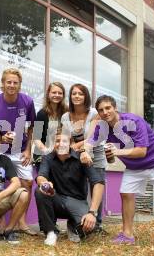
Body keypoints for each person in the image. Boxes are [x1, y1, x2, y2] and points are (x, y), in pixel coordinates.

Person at [90, 95, 154, 249]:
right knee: (126, 194)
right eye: (101, 110)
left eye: (108, 108)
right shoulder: (102, 127)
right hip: (134, 166)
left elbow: (141, 151)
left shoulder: (133, 121)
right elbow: (90, 142)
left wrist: (116, 152)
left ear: (115, 108)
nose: (105, 112)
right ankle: (127, 235)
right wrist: (81, 149)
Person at [0, 67, 37, 235]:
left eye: (15, 82)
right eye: (9, 82)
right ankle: (0, 220)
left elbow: (33, 127)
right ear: (3, 84)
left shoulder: (27, 101)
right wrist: (1, 139)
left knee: (27, 182)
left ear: (20, 85)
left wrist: (28, 150)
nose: (12, 85)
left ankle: (21, 221)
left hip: (20, 150)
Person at [35, 127, 105, 246]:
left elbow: (98, 183)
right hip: (56, 199)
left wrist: (92, 213)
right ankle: (51, 232)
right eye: (57, 141)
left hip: (77, 202)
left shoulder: (81, 157)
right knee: (40, 191)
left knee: (89, 229)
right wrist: (44, 183)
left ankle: (73, 224)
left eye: (64, 141)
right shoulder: (48, 158)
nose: (60, 144)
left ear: (71, 143)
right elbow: (41, 177)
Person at [61, 84, 106, 230]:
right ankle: (80, 220)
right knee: (81, 187)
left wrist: (75, 145)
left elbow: (92, 137)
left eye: (80, 94)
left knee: (97, 186)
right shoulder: (65, 116)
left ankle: (97, 222)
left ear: (85, 96)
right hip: (77, 156)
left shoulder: (94, 113)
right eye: (74, 93)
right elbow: (67, 138)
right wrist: (73, 146)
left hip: (95, 153)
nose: (77, 96)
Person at [33, 82, 68, 233]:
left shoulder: (66, 113)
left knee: (56, 188)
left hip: (60, 155)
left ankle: (52, 224)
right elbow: (36, 138)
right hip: (43, 155)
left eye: (60, 92)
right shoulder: (42, 113)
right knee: (45, 187)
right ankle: (46, 226)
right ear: (48, 94)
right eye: (54, 92)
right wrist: (47, 151)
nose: (57, 95)